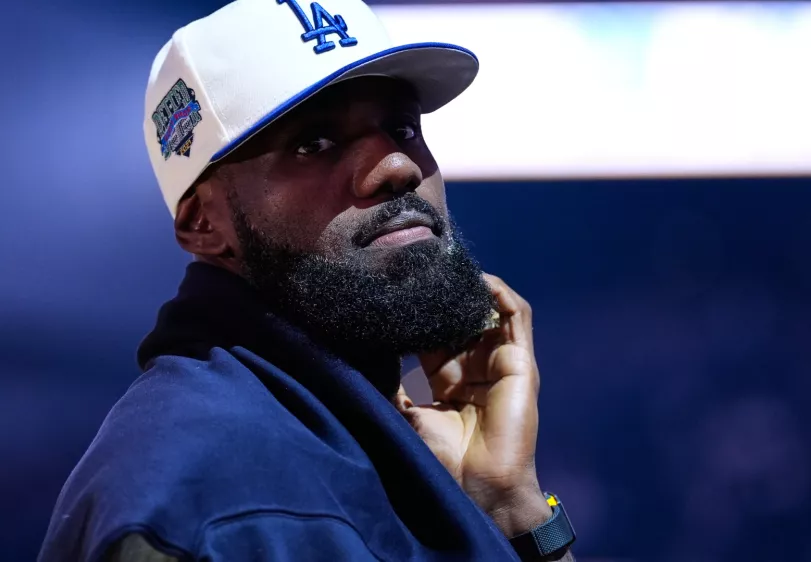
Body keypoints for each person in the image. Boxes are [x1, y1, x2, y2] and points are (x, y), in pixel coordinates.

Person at [37, 0, 577, 560]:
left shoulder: (380, 440)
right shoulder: (200, 505)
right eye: (313, 143)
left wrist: (508, 508)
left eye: (402, 128)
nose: (400, 167)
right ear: (203, 223)